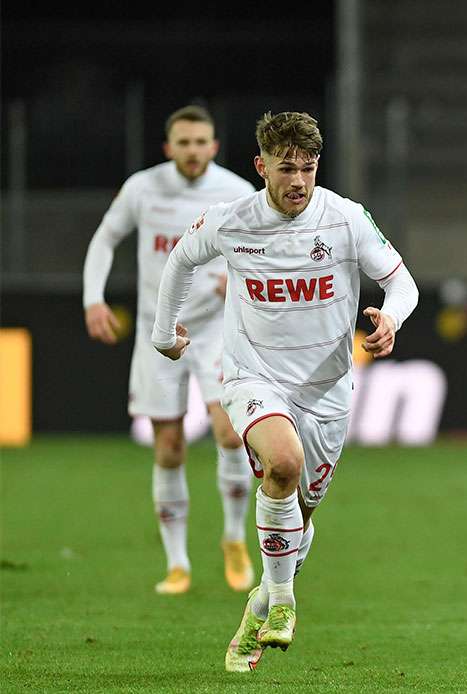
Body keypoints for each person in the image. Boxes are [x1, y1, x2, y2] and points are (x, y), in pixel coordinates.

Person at [150, 111, 419, 672]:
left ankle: (259, 606)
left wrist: (392, 318)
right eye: (287, 168)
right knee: (283, 463)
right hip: (253, 377)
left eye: (309, 168)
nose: (299, 181)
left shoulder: (344, 218)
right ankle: (282, 603)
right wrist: (163, 329)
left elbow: (402, 282)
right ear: (261, 166)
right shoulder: (232, 220)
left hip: (327, 391)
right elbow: (180, 258)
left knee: (300, 513)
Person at [82, 105, 257, 595]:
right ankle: (177, 563)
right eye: (184, 143)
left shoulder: (237, 192)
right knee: (169, 446)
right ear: (168, 147)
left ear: (214, 146)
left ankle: (233, 538)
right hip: (155, 333)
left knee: (229, 434)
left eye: (201, 142)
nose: (193, 151)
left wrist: (237, 279)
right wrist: (93, 298)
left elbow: (260, 253)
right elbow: (105, 238)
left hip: (216, 330)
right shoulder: (142, 187)